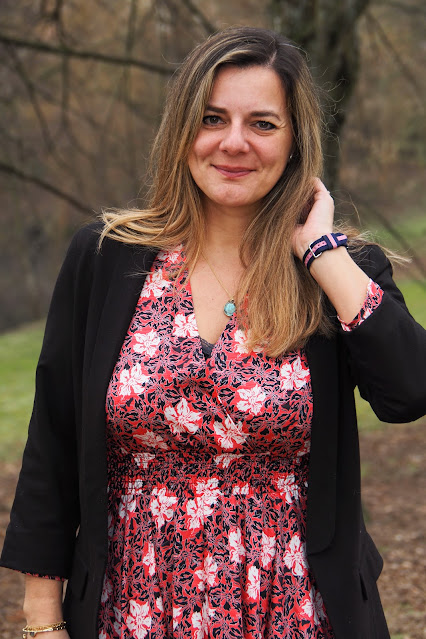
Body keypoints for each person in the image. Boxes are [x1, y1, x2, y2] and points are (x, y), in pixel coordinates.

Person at [1, 26, 425, 639]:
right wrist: (42, 622)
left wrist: (322, 251)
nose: (233, 143)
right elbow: (54, 442)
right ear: (182, 132)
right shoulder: (105, 258)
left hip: (294, 610)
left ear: (295, 141)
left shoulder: (337, 272)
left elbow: (410, 391)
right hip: (135, 608)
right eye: (212, 118)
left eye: (262, 123)